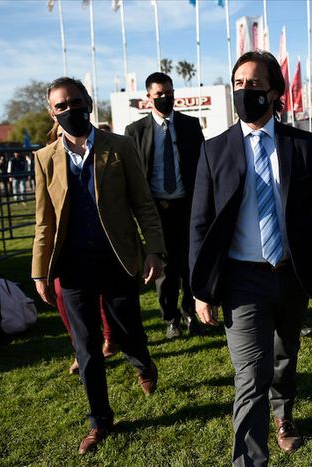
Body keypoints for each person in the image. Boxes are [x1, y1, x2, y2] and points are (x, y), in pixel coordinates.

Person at [189, 51, 312, 466]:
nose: (245, 92)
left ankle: (283, 413)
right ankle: (249, 461)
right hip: (240, 280)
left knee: (285, 354)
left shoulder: (305, 145)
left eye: (254, 84)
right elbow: (199, 225)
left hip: (293, 274)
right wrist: (200, 290)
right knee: (250, 375)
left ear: (276, 92)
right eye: (238, 84)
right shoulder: (214, 151)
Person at [32, 77, 166, 455]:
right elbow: (44, 222)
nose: (69, 110)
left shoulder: (119, 147)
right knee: (86, 347)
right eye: (61, 106)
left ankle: (143, 363)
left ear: (88, 102)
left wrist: (154, 249)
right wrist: (39, 271)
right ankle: (99, 421)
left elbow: (143, 203)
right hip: (72, 268)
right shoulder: (44, 160)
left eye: (75, 102)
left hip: (118, 260)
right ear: (52, 112)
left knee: (127, 334)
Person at [125, 72, 206, 339]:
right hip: (155, 210)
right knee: (163, 269)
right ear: (148, 97)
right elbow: (132, 174)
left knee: (189, 264)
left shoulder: (190, 126)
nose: (165, 98)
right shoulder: (135, 132)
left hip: (186, 206)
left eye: (169, 93)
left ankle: (190, 313)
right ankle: (170, 318)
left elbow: (201, 167)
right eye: (159, 94)